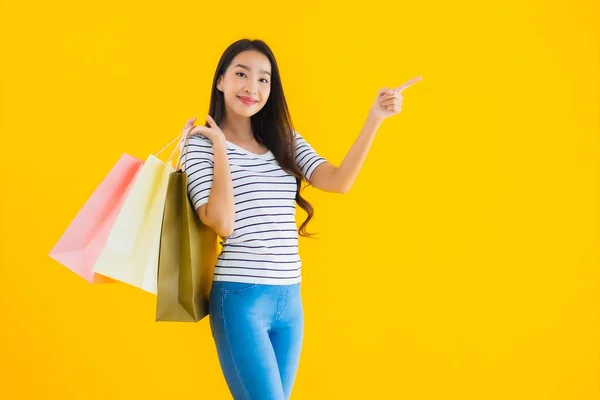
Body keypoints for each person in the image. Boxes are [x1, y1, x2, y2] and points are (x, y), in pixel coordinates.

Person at [179, 38, 422, 400]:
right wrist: (220, 147)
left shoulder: (284, 139)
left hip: (290, 299)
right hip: (241, 299)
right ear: (221, 80)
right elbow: (222, 222)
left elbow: (338, 182)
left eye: (264, 79)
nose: (252, 87)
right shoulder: (199, 143)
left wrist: (375, 119)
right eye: (241, 74)